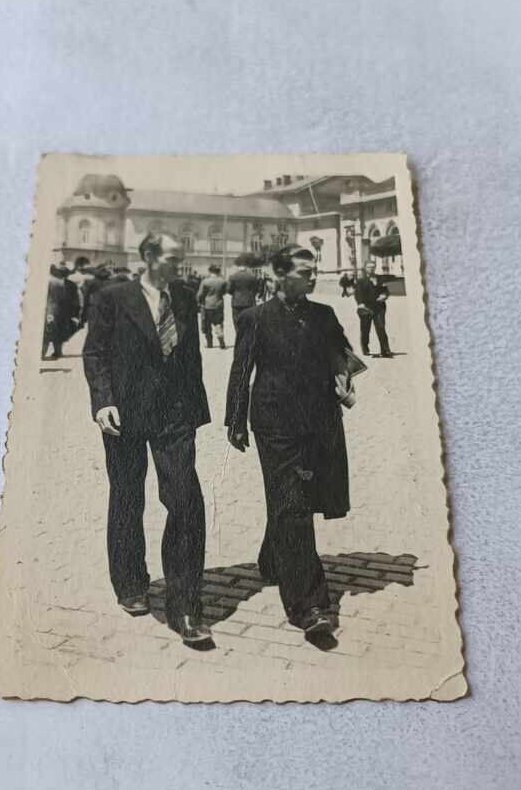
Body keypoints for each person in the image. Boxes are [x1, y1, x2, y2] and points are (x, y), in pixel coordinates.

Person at [83, 232, 214, 649]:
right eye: (173, 258)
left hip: (174, 414)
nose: (180, 264)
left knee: (185, 500)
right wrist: (103, 401)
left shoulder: (185, 297)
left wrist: (194, 410)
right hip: (124, 413)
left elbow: (190, 355)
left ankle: (185, 606)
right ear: (150, 256)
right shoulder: (113, 297)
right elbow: (95, 353)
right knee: (127, 496)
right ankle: (130, 584)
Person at [225, 247, 355, 644]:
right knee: (292, 504)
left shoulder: (324, 315)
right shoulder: (255, 318)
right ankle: (309, 605)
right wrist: (235, 420)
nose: (313, 276)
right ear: (281, 274)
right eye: (304, 271)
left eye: (314, 270)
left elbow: (343, 356)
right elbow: (241, 370)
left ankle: (272, 559)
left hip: (319, 422)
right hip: (275, 424)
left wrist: (344, 377)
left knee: (297, 499)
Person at [354, 259, 393, 357]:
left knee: (381, 328)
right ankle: (365, 348)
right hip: (366, 308)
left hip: (379, 307)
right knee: (365, 329)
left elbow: (385, 290)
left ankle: (385, 350)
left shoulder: (380, 279)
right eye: (369, 267)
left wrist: (385, 295)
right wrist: (360, 303)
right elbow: (358, 294)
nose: (371, 269)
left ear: (375, 267)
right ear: (365, 268)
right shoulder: (361, 280)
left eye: (373, 267)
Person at [42, 264, 80, 359]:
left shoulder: (53, 282)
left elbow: (74, 300)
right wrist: (75, 313)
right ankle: (57, 352)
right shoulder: (70, 284)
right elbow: (76, 301)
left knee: (49, 332)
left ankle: (45, 353)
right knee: (58, 332)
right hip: (63, 312)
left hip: (56, 311)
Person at [197, 264, 228, 349]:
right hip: (219, 304)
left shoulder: (205, 281)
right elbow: (225, 292)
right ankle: (220, 335)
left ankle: (209, 343)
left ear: (210, 271)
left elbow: (200, 294)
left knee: (207, 325)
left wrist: (199, 301)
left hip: (207, 305)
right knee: (218, 322)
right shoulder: (223, 281)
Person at [227, 254, 260, 331]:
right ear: (246, 266)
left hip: (236, 302)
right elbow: (256, 289)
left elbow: (228, 290)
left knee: (237, 320)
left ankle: (239, 335)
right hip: (249, 301)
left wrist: (235, 294)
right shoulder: (252, 277)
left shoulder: (233, 277)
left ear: (238, 266)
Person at [69, 255, 95, 325]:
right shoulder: (76, 276)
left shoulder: (72, 276)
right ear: (79, 267)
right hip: (77, 307)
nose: (88, 271)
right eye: (87, 269)